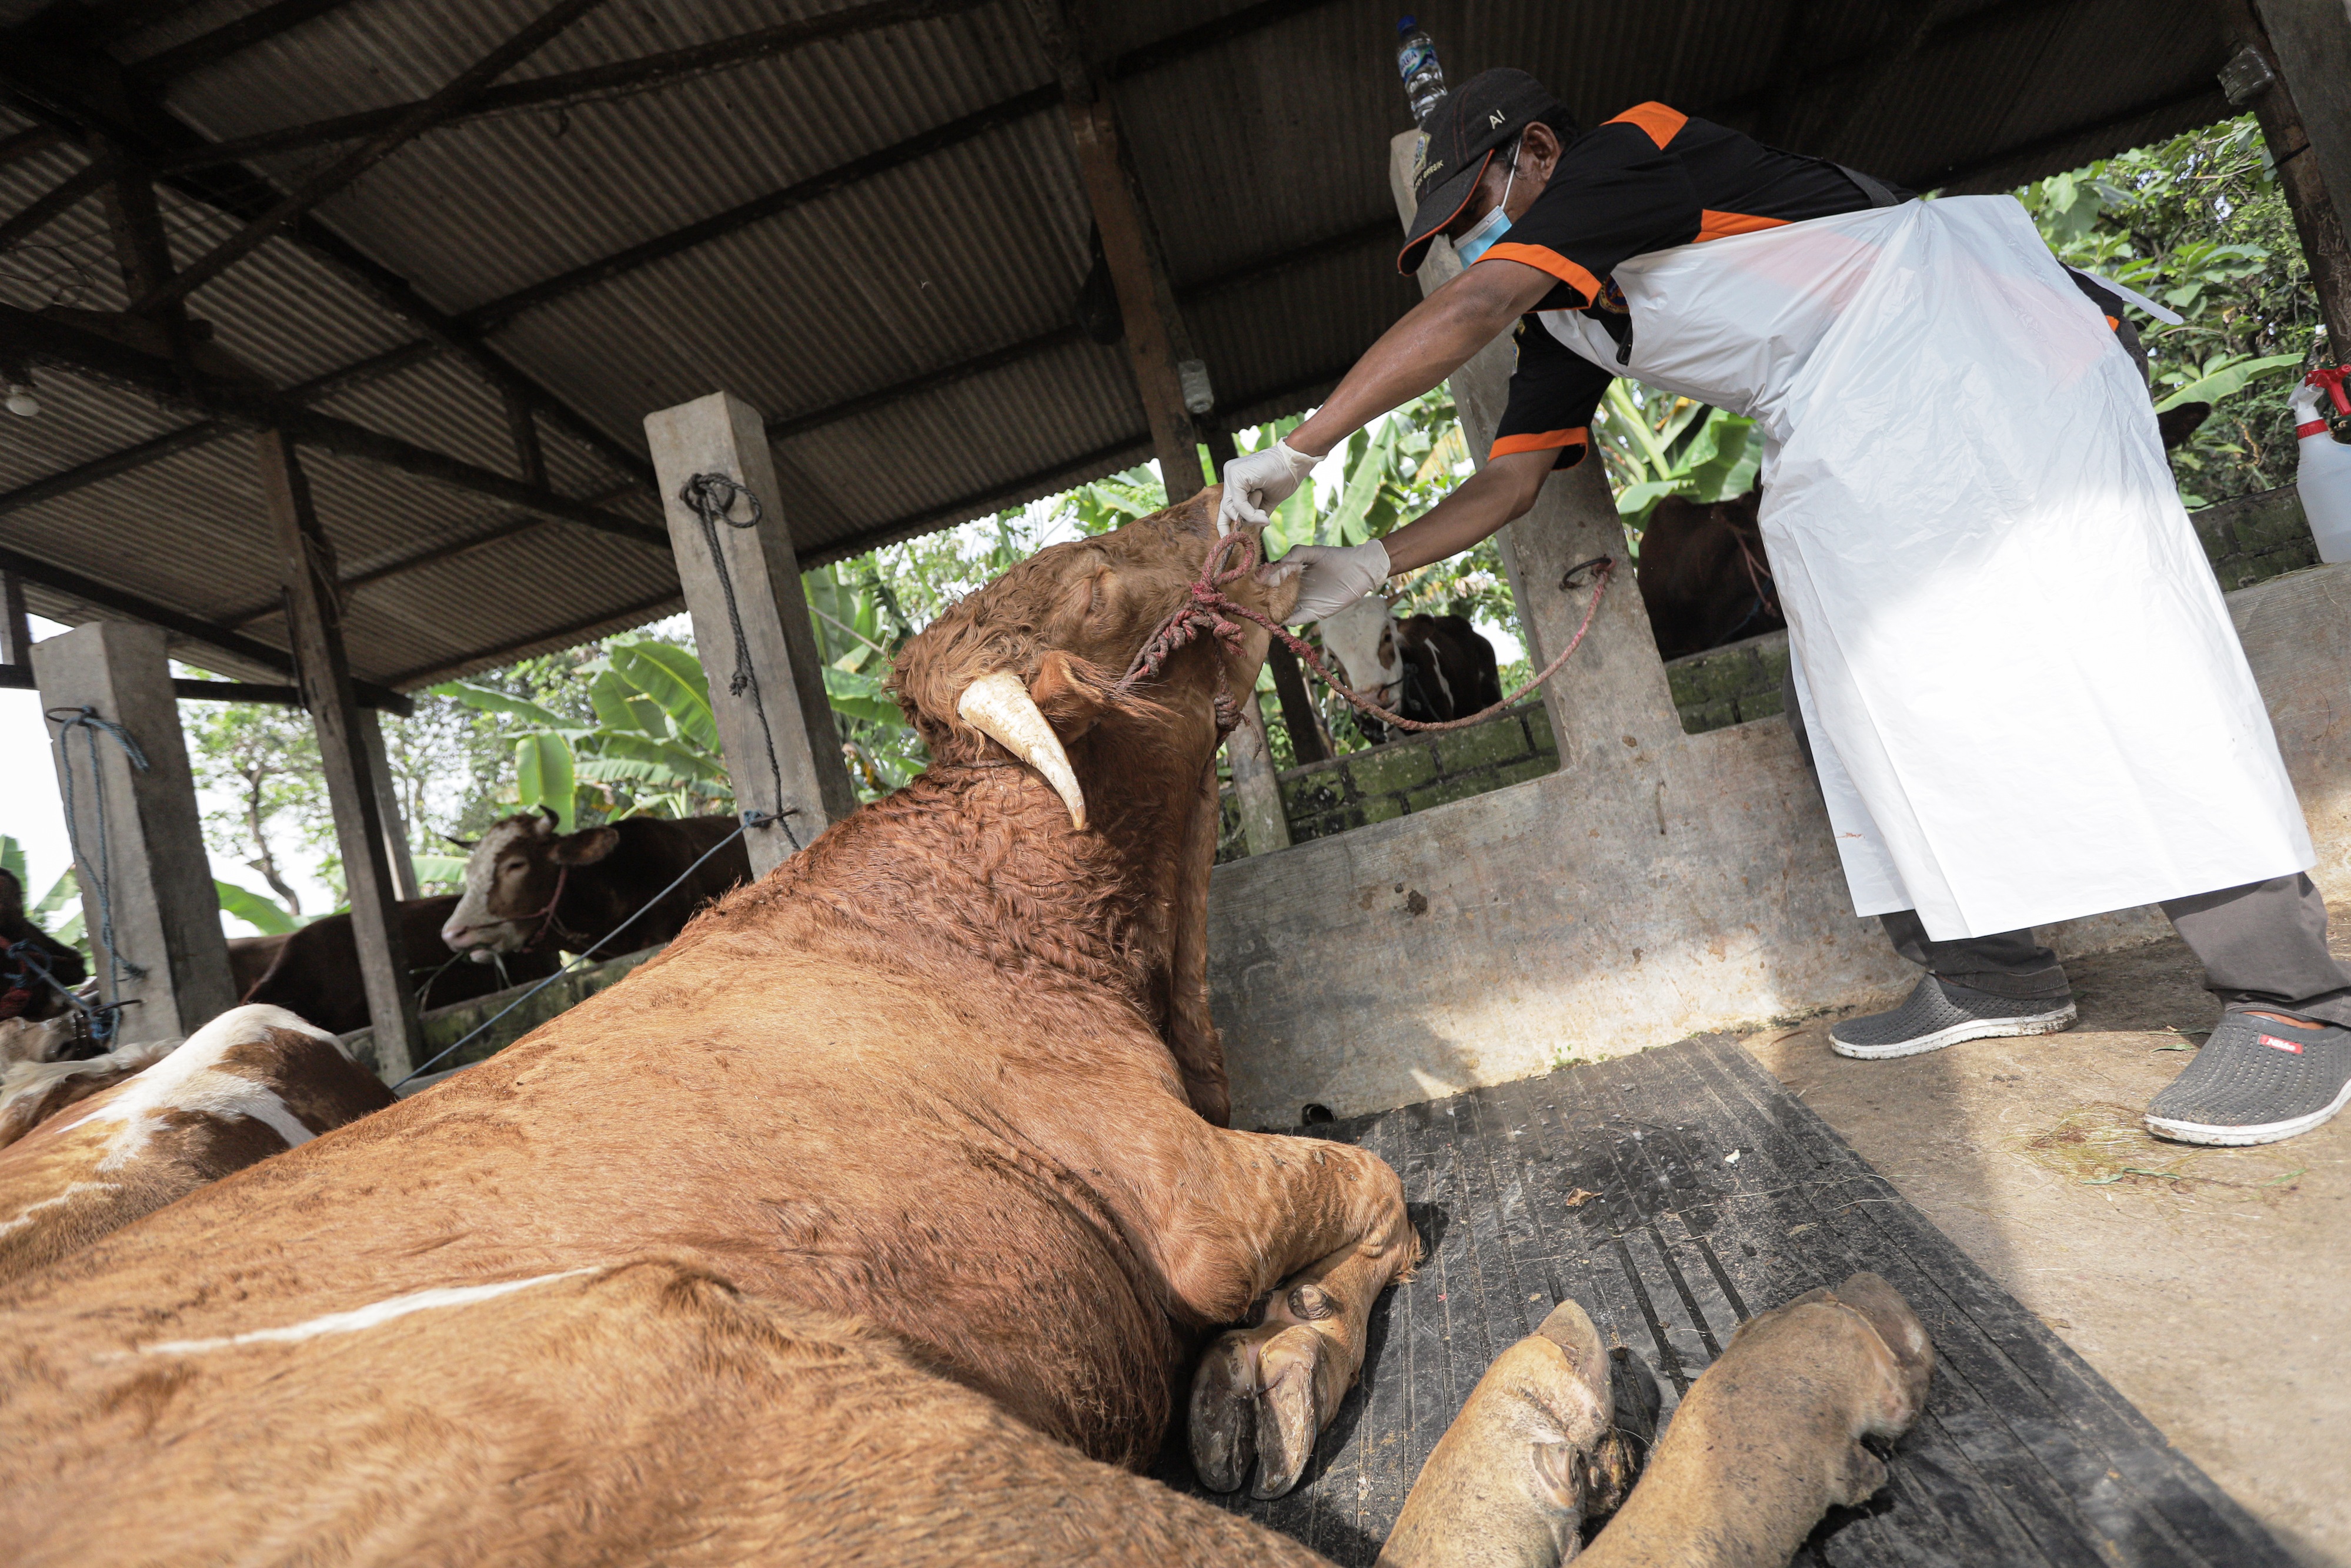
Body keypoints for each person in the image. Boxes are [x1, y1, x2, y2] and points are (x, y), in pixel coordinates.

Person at [1220, 68, 2351, 1148]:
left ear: (1540, 153)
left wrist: (1297, 448)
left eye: (1477, 205)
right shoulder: (1569, 318)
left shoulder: (1628, 154)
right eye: (1455, 229)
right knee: (1852, 696)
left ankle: (2295, 997)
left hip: (1974, 362)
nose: (1474, 239)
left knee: (2098, 652)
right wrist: (1368, 562)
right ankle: (1991, 969)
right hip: (1847, 417)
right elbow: (1512, 479)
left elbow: (1475, 297)